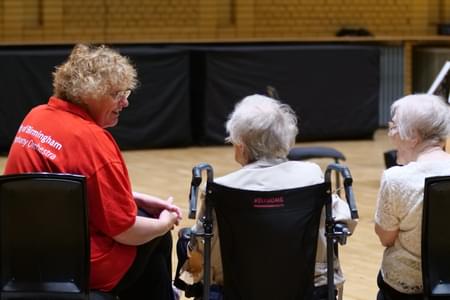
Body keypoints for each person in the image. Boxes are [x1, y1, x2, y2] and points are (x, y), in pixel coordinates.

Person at [3, 44, 182, 300]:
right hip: (77, 266)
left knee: (144, 220)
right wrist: (163, 224)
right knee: (155, 238)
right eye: (117, 94)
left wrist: (135, 198)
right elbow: (126, 231)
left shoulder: (37, 116)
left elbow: (61, 190)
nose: (126, 102)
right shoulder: (92, 140)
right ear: (89, 94)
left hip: (23, 255)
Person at [174, 94, 356, 300]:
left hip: (234, 292)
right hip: (308, 291)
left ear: (241, 145)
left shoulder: (222, 189)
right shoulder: (312, 177)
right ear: (286, 138)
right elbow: (345, 224)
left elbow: (201, 249)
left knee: (187, 239)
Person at [374, 94, 450, 300]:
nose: (390, 134)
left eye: (394, 127)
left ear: (413, 136)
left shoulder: (396, 179)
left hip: (405, 289)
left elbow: (385, 237)